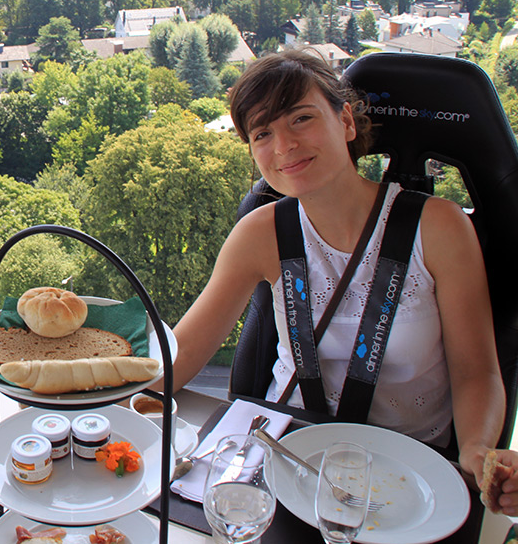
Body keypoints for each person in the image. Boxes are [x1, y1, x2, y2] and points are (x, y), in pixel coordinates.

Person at [165, 49, 518, 513]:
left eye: (301, 118)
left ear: (346, 122)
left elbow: (477, 371)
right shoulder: (260, 233)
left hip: (409, 471)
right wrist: (81, 396)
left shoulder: (440, 228)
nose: (284, 145)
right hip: (284, 455)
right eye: (262, 133)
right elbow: (183, 353)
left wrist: (476, 450)